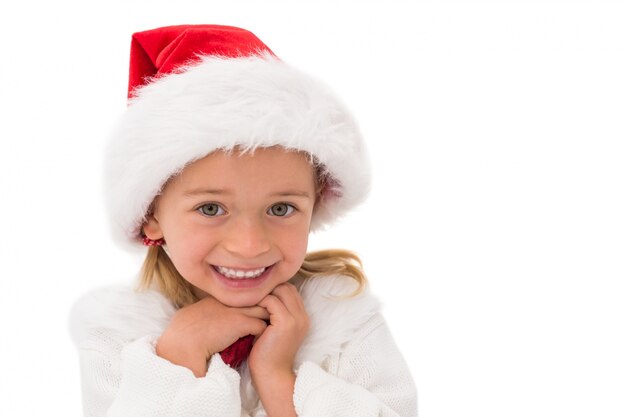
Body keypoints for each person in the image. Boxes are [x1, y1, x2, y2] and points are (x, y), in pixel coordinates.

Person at [70, 24, 417, 417]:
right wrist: (178, 357)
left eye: (281, 208)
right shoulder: (116, 338)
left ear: (315, 205)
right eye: (211, 209)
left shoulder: (346, 322)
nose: (249, 245)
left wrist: (277, 377)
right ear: (150, 216)